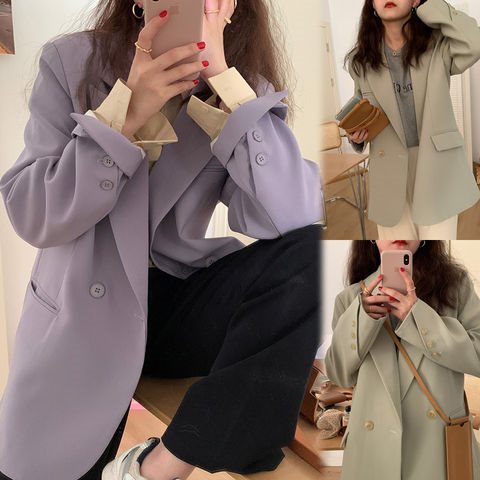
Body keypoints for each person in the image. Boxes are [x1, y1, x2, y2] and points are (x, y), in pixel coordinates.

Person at [0, 0, 322, 479]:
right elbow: (34, 215)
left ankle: (158, 468)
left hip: (180, 311)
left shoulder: (241, 87)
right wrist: (125, 114)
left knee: (315, 257)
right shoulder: (72, 62)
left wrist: (225, 82)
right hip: (82, 313)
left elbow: (295, 217)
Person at [325, 240, 480, 480]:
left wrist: (418, 317)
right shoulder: (350, 299)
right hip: (372, 454)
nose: (399, 231)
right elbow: (338, 374)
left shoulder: (454, 286)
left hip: (439, 451)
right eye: (388, 223)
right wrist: (362, 319)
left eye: (410, 222)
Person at [344, 0, 480, 240]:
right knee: (397, 253)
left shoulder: (438, 46)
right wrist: (356, 135)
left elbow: (474, 42)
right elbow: (362, 108)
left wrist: (428, 4)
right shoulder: (362, 60)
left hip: (436, 165)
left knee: (436, 250)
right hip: (388, 170)